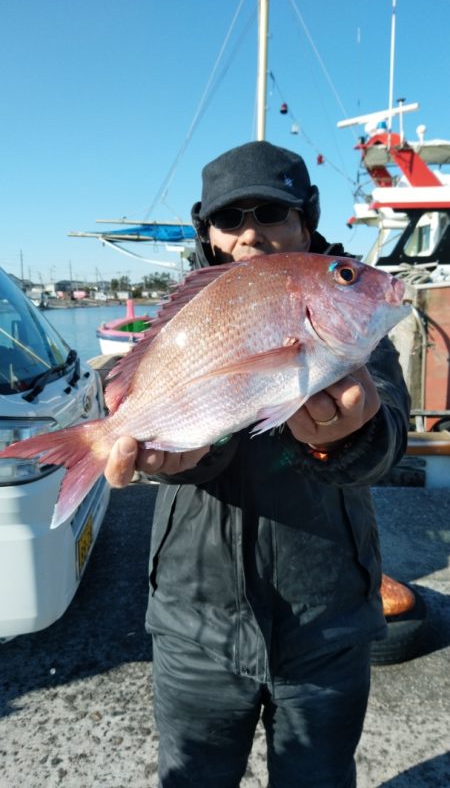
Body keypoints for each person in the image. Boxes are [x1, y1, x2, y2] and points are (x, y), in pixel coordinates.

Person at [104, 141, 410, 788]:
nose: (250, 233)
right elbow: (143, 391)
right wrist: (167, 451)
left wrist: (346, 436)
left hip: (327, 622)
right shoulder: (187, 311)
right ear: (207, 232)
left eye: (271, 213)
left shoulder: (353, 326)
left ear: (305, 220)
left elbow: (389, 440)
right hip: (195, 623)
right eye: (230, 218)